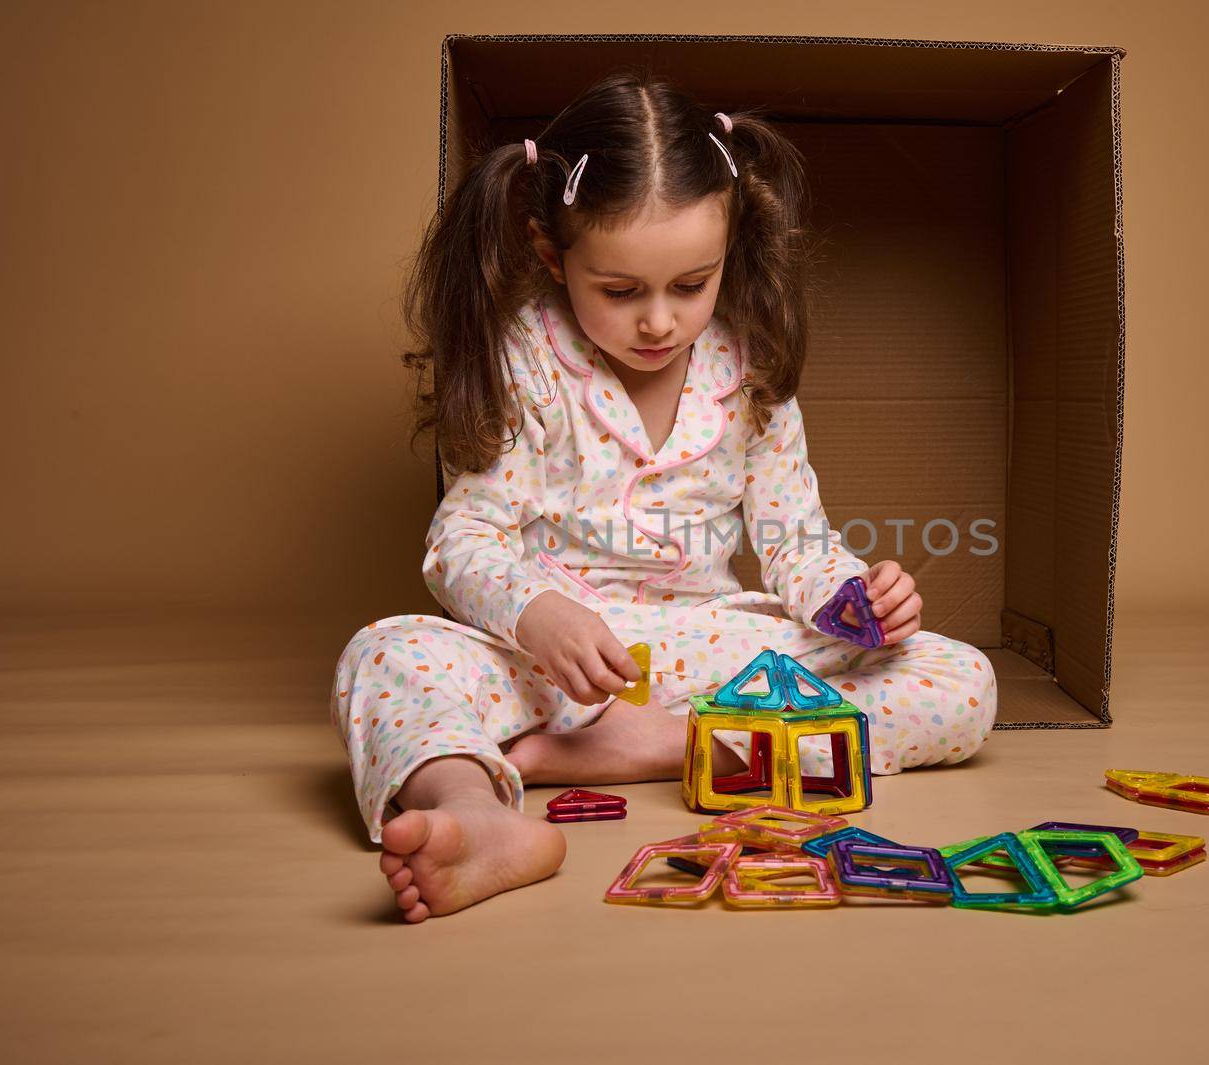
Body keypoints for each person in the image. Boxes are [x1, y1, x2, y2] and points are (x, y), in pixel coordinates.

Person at [332, 70, 997, 923]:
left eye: (691, 285)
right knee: (383, 656)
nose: (659, 322)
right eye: (620, 291)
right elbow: (465, 539)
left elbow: (796, 542)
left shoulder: (749, 363)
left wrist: (851, 598)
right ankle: (474, 807)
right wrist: (539, 612)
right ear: (551, 255)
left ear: (728, 252)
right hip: (559, 665)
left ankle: (651, 748)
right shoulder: (527, 357)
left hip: (708, 661)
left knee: (960, 680)